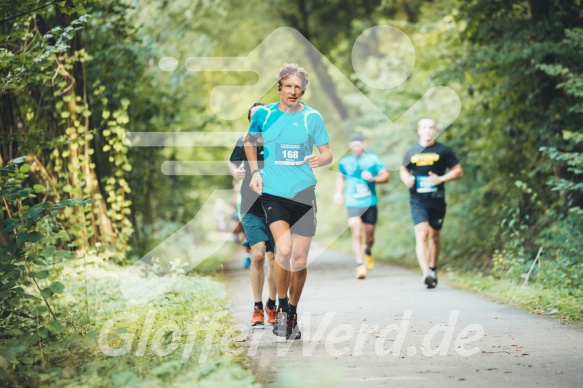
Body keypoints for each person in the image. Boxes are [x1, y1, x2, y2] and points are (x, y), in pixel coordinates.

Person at [244, 63, 333, 340]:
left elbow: (328, 153)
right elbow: (249, 142)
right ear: (279, 87)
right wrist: (255, 171)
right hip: (273, 194)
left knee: (300, 258)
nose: (293, 91)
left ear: (303, 90)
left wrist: (322, 159)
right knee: (282, 251)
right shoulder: (263, 114)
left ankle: (292, 311)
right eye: (288, 86)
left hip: (304, 193)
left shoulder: (312, 118)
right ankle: (281, 306)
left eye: (298, 87)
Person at [228, 102, 277, 326]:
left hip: (277, 204)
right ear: (250, 120)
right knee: (257, 255)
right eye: (255, 115)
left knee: (275, 258)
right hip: (251, 205)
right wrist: (237, 173)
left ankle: (272, 304)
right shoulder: (244, 141)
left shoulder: (277, 140)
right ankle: (257, 308)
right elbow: (232, 162)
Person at [400, 118, 463, 288]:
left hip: (436, 200)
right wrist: (407, 179)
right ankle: (426, 273)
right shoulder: (411, 151)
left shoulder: (444, 151)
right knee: (422, 233)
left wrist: (441, 178)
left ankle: (433, 269)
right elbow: (403, 170)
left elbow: (458, 171)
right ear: (419, 130)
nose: (428, 130)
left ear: (435, 130)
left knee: (434, 236)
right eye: (424, 127)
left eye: (431, 127)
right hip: (417, 199)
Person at [334, 134, 389, 279]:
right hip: (352, 203)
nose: (356, 147)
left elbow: (386, 176)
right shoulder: (345, 162)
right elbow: (341, 176)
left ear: (364, 144)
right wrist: (338, 192)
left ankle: (368, 251)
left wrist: (373, 178)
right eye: (353, 145)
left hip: (370, 203)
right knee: (357, 233)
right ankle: (360, 265)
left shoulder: (373, 159)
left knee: (369, 237)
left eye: (359, 144)